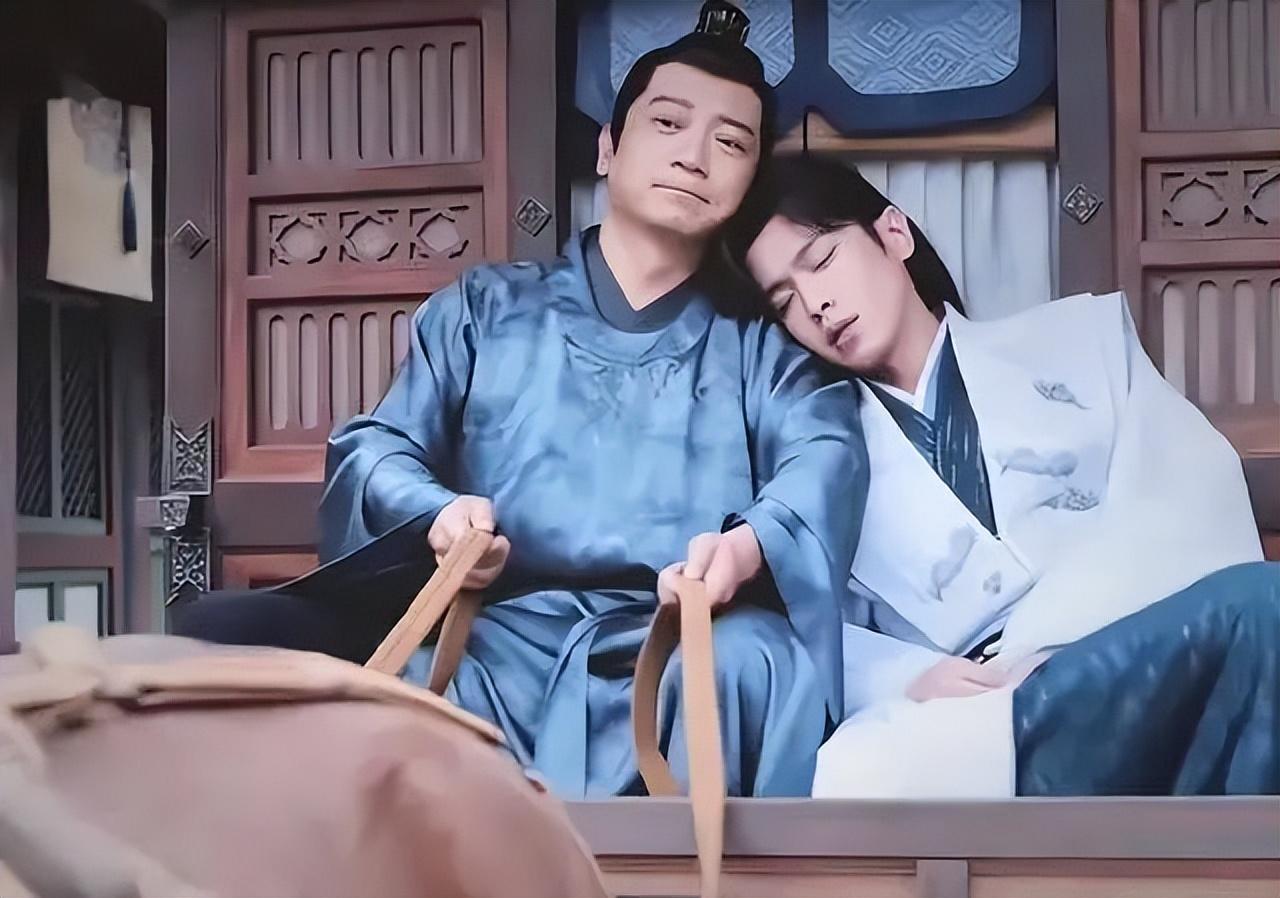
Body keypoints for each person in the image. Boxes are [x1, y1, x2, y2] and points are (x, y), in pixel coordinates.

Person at [173, 3, 865, 799]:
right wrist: (437, 512)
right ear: (608, 147)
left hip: (685, 639)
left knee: (753, 664)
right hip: (493, 639)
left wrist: (746, 547)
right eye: (668, 123)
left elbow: (825, 452)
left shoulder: (760, 346)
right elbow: (378, 446)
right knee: (249, 648)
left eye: (731, 142)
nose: (694, 156)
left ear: (748, 182)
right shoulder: (486, 309)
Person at [726, 153, 1277, 797]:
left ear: (894, 234)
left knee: (1261, 607)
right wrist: (904, 675)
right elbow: (806, 625)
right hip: (978, 712)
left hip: (1128, 646)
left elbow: (1187, 491)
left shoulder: (1080, 339)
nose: (816, 305)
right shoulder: (816, 460)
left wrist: (1051, 641)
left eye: (822, 260)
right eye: (785, 302)